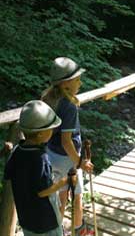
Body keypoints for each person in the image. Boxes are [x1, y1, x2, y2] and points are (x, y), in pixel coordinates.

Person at [4, 100, 76, 236]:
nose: (53, 131)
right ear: (40, 134)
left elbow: (9, 175)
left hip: (26, 218)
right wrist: (65, 181)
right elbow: (43, 192)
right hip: (45, 221)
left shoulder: (17, 151)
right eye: (51, 129)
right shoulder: (40, 157)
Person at [42, 57, 94, 236]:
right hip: (66, 159)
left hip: (51, 154)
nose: (80, 82)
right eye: (77, 79)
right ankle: (79, 229)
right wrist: (80, 163)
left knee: (62, 195)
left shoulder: (49, 98)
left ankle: (58, 231)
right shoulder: (69, 107)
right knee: (77, 194)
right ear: (66, 84)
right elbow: (67, 141)